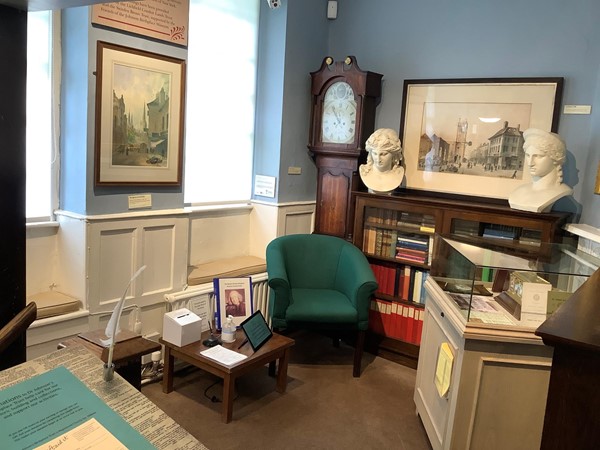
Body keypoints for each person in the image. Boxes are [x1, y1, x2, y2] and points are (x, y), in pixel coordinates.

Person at [508, 128, 573, 212]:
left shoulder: (561, 191)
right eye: (528, 155)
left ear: (555, 158)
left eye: (538, 156)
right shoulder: (518, 193)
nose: (530, 163)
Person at [359, 128, 405, 194]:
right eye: (375, 153)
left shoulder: (399, 172)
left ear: (393, 154)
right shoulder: (364, 171)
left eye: (383, 154)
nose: (378, 159)